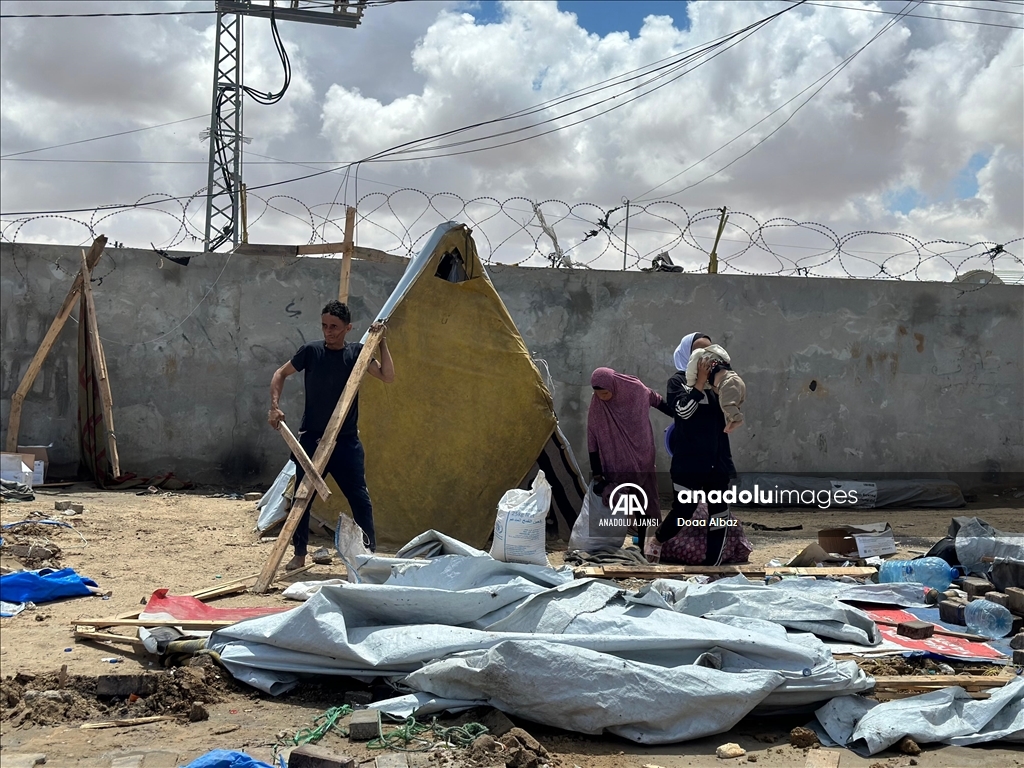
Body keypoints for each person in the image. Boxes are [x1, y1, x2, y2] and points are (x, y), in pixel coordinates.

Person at [268, 300, 395, 570]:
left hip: (346, 440)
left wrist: (381, 342)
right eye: (325, 326)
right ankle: (299, 554)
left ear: (348, 328)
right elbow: (280, 373)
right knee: (303, 497)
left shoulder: (357, 354)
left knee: (359, 497)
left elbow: (387, 375)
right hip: (312, 439)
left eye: (335, 327)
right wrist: (275, 407)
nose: (329, 332)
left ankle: (367, 553)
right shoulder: (311, 352)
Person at [648, 332, 750, 565]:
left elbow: (731, 404)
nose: (706, 359)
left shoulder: (721, 384)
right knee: (684, 510)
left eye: (710, 353)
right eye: (699, 353)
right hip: (689, 461)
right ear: (689, 355)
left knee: (719, 513)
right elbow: (682, 411)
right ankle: (658, 539)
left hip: (718, 458)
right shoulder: (677, 382)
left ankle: (712, 566)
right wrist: (699, 383)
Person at [588, 367, 674, 550]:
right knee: (629, 505)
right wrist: (597, 474)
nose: (602, 397)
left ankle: (647, 545)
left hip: (643, 459)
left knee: (646, 503)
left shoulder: (636, 389)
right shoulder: (598, 404)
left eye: (605, 393)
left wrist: (680, 417)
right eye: (598, 393)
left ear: (613, 385)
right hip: (616, 466)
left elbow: (657, 400)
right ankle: (629, 541)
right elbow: (592, 438)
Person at [684, 343, 745, 433]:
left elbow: (690, 374)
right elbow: (726, 357)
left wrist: (690, 384)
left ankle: (737, 420)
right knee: (731, 406)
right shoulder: (716, 356)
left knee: (727, 405)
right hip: (737, 380)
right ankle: (731, 420)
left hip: (727, 384)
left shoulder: (697, 358)